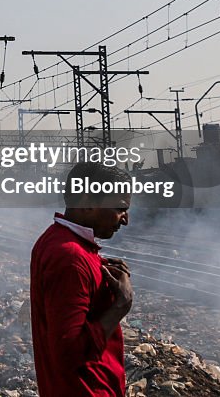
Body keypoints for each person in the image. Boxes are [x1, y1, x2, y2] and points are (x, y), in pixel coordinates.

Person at [31, 162, 133, 397]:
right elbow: (69, 352)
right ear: (87, 201)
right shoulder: (70, 256)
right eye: (120, 208)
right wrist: (121, 305)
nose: (125, 219)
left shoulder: (58, 241)